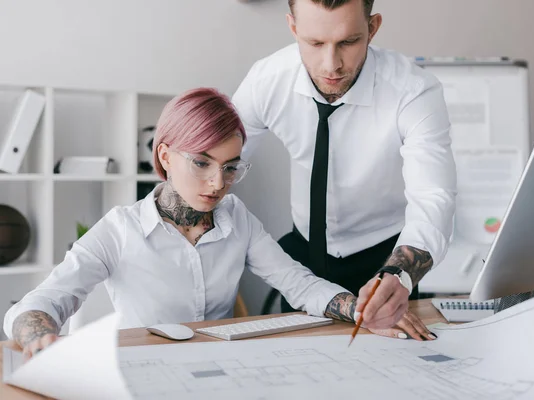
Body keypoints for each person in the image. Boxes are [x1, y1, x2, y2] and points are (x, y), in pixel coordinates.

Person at [3, 88, 435, 361]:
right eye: (202, 163)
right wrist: (42, 339)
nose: (217, 184)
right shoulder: (120, 229)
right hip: (143, 373)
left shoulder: (236, 218)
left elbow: (298, 284)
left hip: (220, 372)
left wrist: (363, 312)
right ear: (166, 155)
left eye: (230, 167)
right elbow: (37, 306)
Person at [232, 0, 457, 337]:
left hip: (386, 258)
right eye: (315, 43)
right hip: (303, 256)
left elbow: (433, 198)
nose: (331, 64)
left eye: (348, 42)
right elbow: (215, 163)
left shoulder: (413, 90)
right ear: (293, 27)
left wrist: (399, 274)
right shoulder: (267, 80)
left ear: (373, 27)